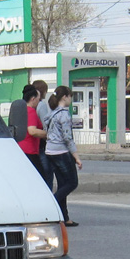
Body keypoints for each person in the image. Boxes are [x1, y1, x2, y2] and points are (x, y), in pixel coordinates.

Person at [44, 85, 82, 227]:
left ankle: (64, 217)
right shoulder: (64, 115)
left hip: (50, 151)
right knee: (72, 183)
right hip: (61, 152)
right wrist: (76, 156)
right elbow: (67, 137)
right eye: (70, 96)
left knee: (62, 185)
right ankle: (51, 205)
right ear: (65, 97)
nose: (71, 99)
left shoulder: (51, 113)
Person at [16, 84, 47, 180]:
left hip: (21, 148)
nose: (39, 101)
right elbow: (32, 131)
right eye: (38, 98)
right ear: (33, 99)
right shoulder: (31, 111)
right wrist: (49, 134)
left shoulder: (19, 110)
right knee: (40, 179)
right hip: (30, 150)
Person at [33, 79, 54, 189]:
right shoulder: (42, 105)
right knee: (47, 173)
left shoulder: (31, 105)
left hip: (34, 143)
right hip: (42, 143)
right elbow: (46, 124)